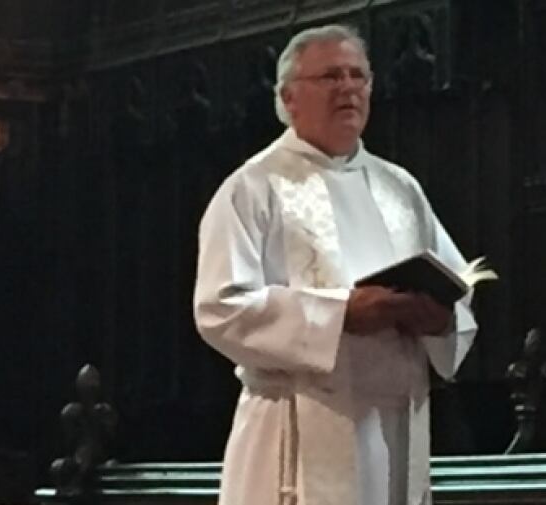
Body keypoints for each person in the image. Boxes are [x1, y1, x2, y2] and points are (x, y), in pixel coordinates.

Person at [194, 24, 479, 505]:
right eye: (329, 77)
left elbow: (457, 286)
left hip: (394, 429)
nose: (348, 88)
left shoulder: (399, 189)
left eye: (358, 76)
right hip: (297, 426)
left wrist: (443, 320)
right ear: (288, 97)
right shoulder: (252, 188)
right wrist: (340, 313)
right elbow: (220, 308)